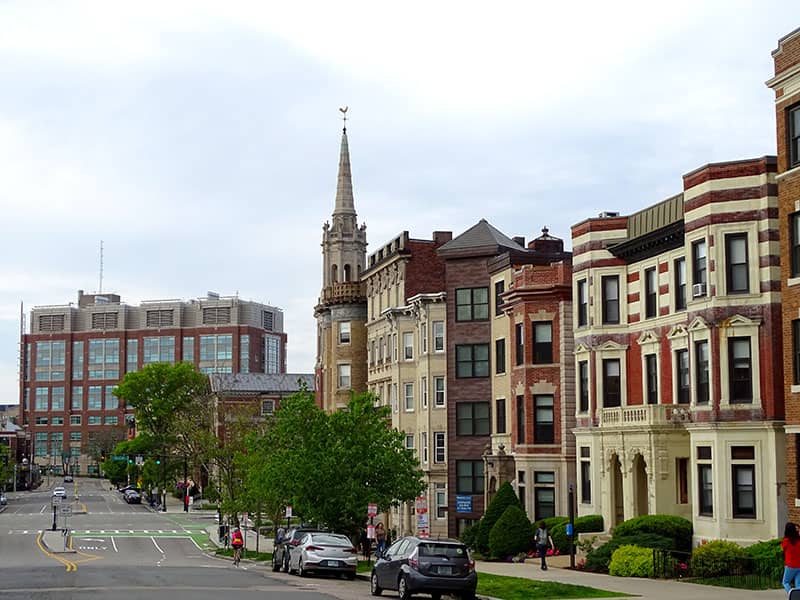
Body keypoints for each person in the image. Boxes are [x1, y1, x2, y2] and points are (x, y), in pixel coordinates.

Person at [783, 522, 800, 594]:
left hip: (790, 565)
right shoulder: (799, 540)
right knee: (798, 584)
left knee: (785, 582)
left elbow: (783, 549)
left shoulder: (786, 541)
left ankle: (791, 594)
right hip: (799, 565)